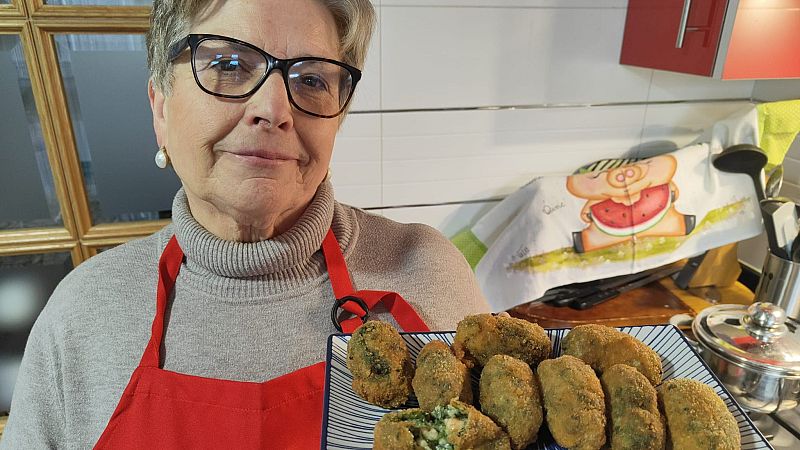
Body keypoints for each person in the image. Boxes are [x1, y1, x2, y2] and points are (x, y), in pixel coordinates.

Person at [0, 0, 489, 448]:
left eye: (312, 79)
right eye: (229, 65)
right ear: (160, 108)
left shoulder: (428, 271)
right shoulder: (82, 316)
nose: (274, 110)